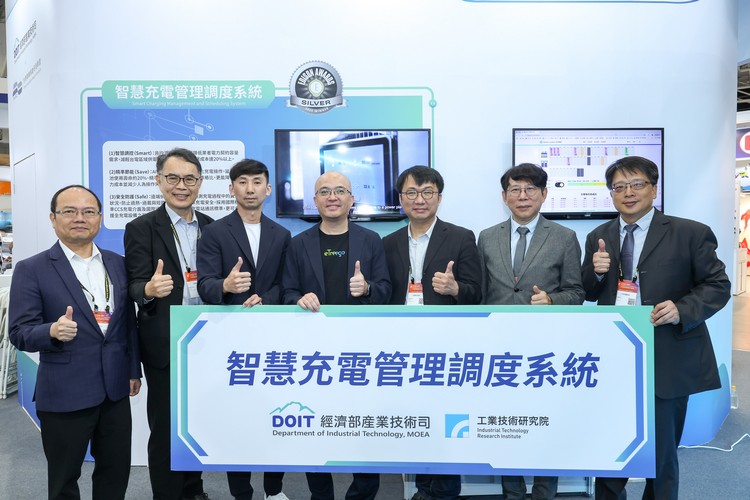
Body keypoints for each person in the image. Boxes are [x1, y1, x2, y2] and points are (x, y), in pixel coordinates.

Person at [581, 156, 731, 500]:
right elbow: (588, 291)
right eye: (619, 187)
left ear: (654, 189)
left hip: (669, 354)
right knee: (611, 450)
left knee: (662, 457)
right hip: (616, 358)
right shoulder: (599, 236)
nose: (628, 193)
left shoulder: (690, 232)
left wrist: (682, 309)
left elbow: (718, 285)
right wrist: (597, 272)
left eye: (637, 184)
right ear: (611, 194)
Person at [9, 185, 141, 500]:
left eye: (88, 212)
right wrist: (51, 331)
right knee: (64, 479)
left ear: (100, 218)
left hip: (114, 390)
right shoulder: (32, 269)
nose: (79, 218)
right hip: (65, 391)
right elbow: (19, 331)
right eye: (69, 211)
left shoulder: (118, 263)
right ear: (53, 219)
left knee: (115, 473)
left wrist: (132, 370)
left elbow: (128, 324)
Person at [477, 163, 585, 500]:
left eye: (530, 189)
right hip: (499, 350)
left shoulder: (564, 237)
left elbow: (577, 292)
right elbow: (481, 293)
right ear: (504, 196)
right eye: (515, 189)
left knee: (544, 424)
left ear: (544, 194)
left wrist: (552, 299)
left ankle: (543, 493)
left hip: (545, 350)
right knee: (504, 425)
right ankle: (512, 492)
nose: (522, 196)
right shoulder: (487, 237)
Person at [282, 171, 391, 500]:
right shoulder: (298, 244)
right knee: (315, 428)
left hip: (361, 353)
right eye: (325, 191)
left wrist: (367, 288)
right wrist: (298, 299)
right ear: (315, 201)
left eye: (340, 191)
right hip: (314, 354)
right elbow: (287, 292)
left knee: (364, 427)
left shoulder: (371, 240)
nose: (333, 197)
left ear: (351, 199)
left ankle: (362, 494)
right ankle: (321, 495)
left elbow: (386, 290)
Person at [382, 165, 481, 500]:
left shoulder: (461, 237)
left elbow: (476, 293)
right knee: (417, 420)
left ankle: (445, 491)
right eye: (411, 192)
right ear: (401, 199)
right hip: (403, 347)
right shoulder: (388, 242)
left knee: (445, 420)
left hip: (445, 346)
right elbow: (385, 294)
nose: (419, 199)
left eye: (427, 192)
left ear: (439, 197)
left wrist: (455, 288)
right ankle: (423, 489)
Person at [196, 159, 291, 500]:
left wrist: (265, 299)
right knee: (236, 418)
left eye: (257, 182)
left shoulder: (282, 234)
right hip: (230, 339)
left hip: (273, 337)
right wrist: (226, 285)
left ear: (268, 188)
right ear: (231, 188)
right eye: (242, 182)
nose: (250, 189)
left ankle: (274, 489)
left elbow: (286, 283)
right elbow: (205, 285)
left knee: (275, 413)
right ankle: (241, 493)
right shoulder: (214, 232)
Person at [124, 148, 213, 500]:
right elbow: (133, 285)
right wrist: (148, 289)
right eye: (173, 178)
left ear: (200, 183)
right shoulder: (141, 228)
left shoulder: (212, 226)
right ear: (159, 181)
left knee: (198, 423)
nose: (181, 186)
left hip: (206, 341)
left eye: (189, 179)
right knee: (165, 429)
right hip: (166, 343)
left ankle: (193, 489)